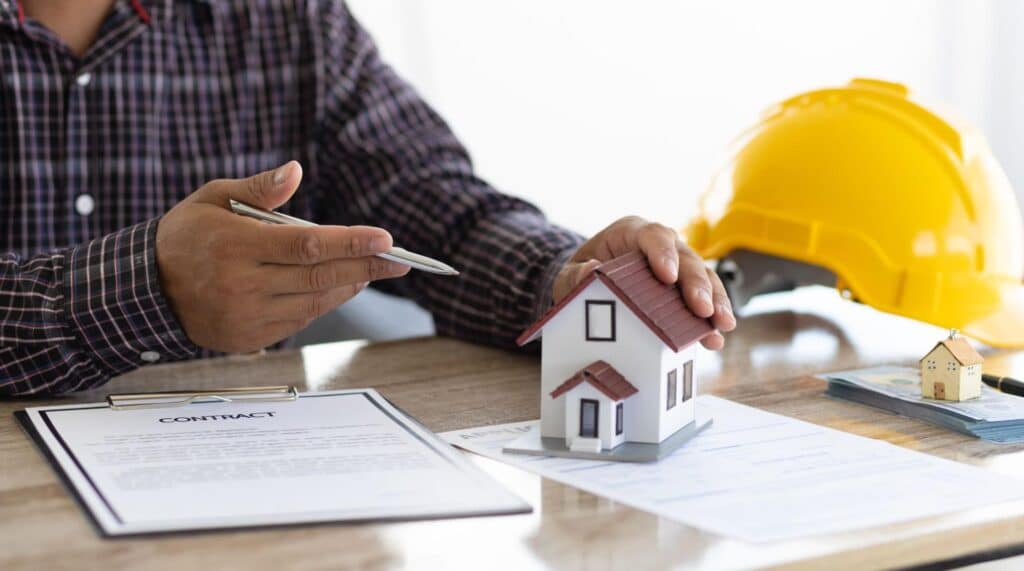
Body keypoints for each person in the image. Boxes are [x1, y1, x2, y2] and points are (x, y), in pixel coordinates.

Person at [0, 0, 735, 396]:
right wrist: (144, 289)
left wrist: (561, 281)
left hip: (243, 488)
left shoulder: (290, 21)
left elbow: (428, 198)